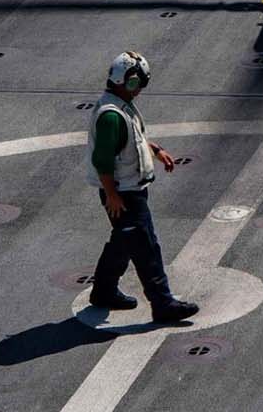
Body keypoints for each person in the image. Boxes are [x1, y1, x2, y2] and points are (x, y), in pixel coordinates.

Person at [86, 51, 200, 323]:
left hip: (128, 189)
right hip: (123, 193)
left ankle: (103, 291)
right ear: (132, 83)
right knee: (146, 246)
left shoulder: (119, 105)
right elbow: (102, 160)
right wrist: (112, 195)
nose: (140, 91)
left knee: (125, 241)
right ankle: (162, 304)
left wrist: (155, 150)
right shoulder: (112, 116)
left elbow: (130, 139)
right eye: (140, 85)